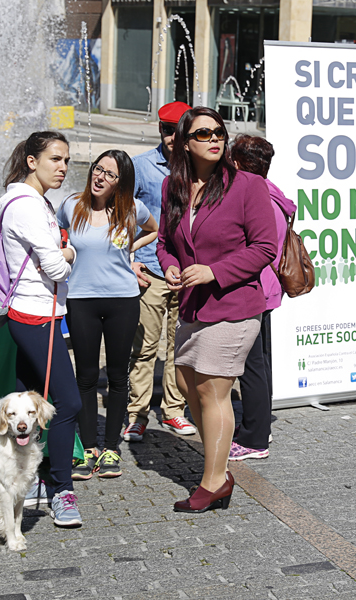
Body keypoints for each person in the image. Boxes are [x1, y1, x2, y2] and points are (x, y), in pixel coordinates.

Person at [157, 108, 277, 512]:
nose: (214, 139)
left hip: (234, 304)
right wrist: (170, 266)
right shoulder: (173, 186)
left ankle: (214, 482)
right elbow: (164, 242)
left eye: (219, 133)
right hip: (193, 305)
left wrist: (214, 271)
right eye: (203, 133)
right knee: (187, 383)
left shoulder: (247, 186)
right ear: (184, 143)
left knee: (213, 390)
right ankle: (217, 467)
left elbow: (265, 247)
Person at [0, 131, 82, 526]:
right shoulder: (26, 206)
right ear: (31, 161)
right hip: (34, 315)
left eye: (66, 160)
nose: (63, 168)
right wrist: (69, 252)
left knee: (30, 399)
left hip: (37, 313)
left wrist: (57, 257)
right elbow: (56, 267)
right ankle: (60, 490)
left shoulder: (34, 201)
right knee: (67, 403)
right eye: (55, 159)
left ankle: (27, 480)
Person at [57, 150, 158, 480]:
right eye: (98, 169)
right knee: (85, 376)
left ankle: (111, 448)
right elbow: (54, 236)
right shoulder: (71, 205)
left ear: (120, 182)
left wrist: (131, 251)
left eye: (110, 174)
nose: (100, 177)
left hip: (122, 301)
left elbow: (154, 229)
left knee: (118, 376)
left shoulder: (132, 209)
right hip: (81, 300)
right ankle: (88, 448)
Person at [125, 101, 197, 442]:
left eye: (179, 131)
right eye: (168, 130)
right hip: (151, 271)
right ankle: (136, 414)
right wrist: (128, 259)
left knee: (180, 348)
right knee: (144, 347)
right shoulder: (140, 167)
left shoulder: (198, 168)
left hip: (188, 274)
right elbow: (120, 218)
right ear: (160, 129)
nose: (173, 138)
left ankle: (173, 411)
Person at [228, 135, 297, 461]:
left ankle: (254, 439)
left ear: (236, 163)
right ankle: (260, 427)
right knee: (260, 362)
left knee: (251, 365)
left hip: (254, 289)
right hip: (268, 288)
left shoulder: (255, 198)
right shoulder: (274, 195)